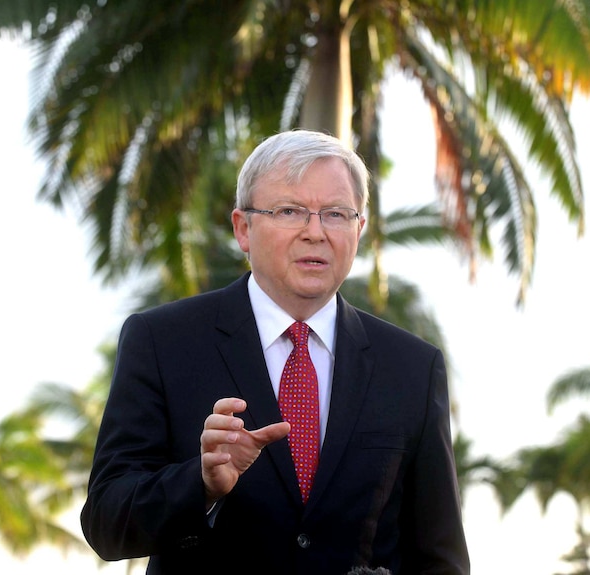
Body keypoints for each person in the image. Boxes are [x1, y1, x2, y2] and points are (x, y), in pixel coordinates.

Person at [80, 129, 470, 574]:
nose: (316, 232)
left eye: (337, 214)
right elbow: (105, 522)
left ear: (359, 229)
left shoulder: (412, 368)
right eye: (290, 211)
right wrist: (202, 484)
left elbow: (440, 558)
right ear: (243, 229)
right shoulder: (163, 341)